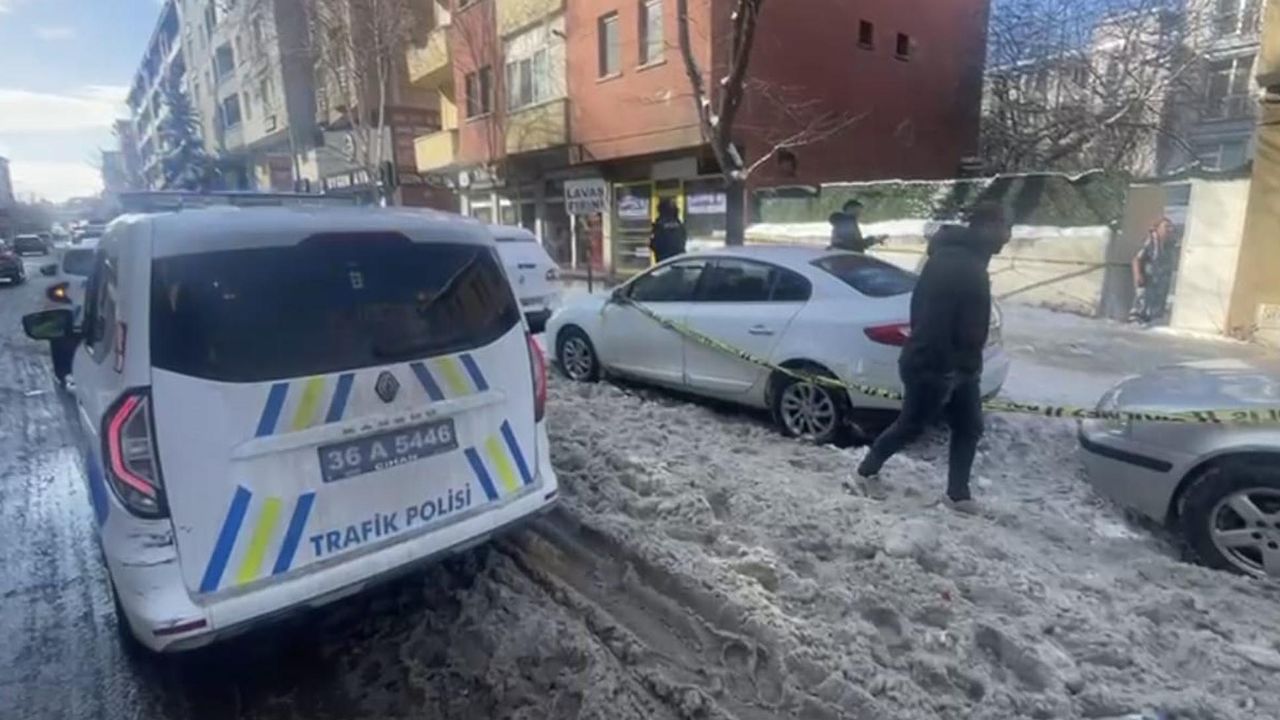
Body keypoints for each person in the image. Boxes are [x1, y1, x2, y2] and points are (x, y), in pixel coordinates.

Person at [854, 202, 1012, 514]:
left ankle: (957, 495)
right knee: (910, 426)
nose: (1008, 236)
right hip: (934, 365)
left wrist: (968, 364)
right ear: (987, 226)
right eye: (1005, 228)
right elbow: (932, 322)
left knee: (969, 426)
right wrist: (942, 370)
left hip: (961, 366)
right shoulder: (957, 263)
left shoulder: (969, 260)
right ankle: (863, 474)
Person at [1129, 217, 1178, 325]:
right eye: (1166, 227)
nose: (1169, 230)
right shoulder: (1150, 242)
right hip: (1147, 280)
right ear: (1157, 229)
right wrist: (1137, 275)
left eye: (1170, 227)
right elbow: (1136, 259)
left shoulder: (1169, 245)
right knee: (1141, 305)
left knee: (1154, 312)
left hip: (1159, 283)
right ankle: (1136, 322)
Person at [650, 199, 687, 263]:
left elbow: (655, 244)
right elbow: (684, 239)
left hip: (664, 261)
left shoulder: (659, 225)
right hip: (679, 260)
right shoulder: (679, 224)